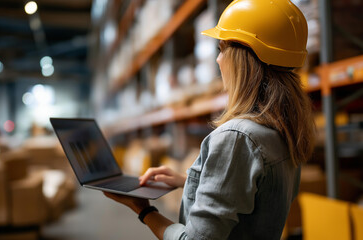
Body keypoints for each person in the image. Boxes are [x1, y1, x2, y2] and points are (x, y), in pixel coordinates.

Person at [104, 0, 316, 239]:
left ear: (242, 58)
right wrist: (192, 181)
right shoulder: (286, 129)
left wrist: (144, 210)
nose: (218, 60)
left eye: (222, 49)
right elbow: (256, 195)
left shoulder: (237, 138)